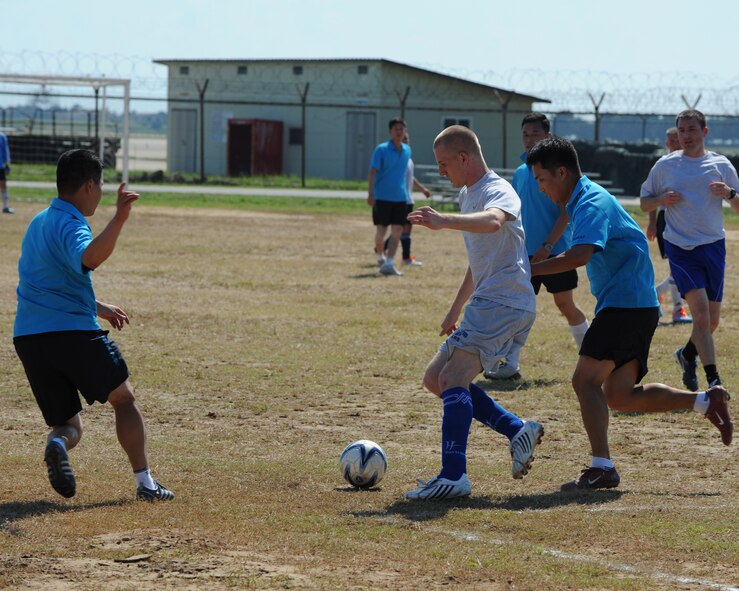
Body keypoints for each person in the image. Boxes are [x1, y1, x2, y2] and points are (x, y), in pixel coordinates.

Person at [527, 137, 732, 490]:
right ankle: (704, 401)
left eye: (542, 179)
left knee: (584, 381)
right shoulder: (581, 197)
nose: (540, 188)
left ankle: (602, 466)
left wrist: (527, 270)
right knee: (619, 395)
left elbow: (580, 256)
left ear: (561, 172)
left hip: (626, 306)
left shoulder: (590, 202)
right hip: (634, 305)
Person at [13, 149, 174, 502]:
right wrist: (119, 218)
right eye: (99, 185)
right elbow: (89, 258)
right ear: (89, 185)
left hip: (28, 337)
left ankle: (57, 444)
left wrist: (98, 306)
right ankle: (146, 484)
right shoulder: (72, 224)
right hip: (72, 333)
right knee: (124, 399)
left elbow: (41, 282)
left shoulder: (38, 222)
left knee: (68, 425)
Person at [404, 125, 543, 501]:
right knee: (436, 379)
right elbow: (478, 262)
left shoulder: (498, 190)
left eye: (445, 164)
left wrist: (444, 221)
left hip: (505, 302)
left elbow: (495, 221)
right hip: (489, 300)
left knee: (453, 378)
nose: (443, 172)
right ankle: (517, 430)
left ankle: (454, 475)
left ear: (464, 158)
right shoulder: (469, 194)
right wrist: (455, 309)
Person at [640, 109, 739, 392]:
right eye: (682, 130)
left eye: (691, 129)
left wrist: (730, 194)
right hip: (681, 247)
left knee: (713, 321)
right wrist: (660, 199)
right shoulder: (665, 165)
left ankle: (686, 355)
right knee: (702, 316)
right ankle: (713, 381)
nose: (686, 135)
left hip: (713, 246)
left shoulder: (721, 164)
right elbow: (645, 202)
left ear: (704, 132)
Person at [486, 113, 588, 380]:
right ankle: (510, 363)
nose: (529, 140)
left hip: (556, 251)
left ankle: (591, 356)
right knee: (517, 307)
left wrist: (548, 244)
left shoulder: (558, 173)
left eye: (535, 134)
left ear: (548, 137)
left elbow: (566, 213)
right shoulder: (521, 173)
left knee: (565, 304)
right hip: (523, 253)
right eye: (526, 135)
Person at [645, 127, 692, 325]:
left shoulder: (690, 165)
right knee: (677, 268)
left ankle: (654, 295)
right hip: (667, 221)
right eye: (672, 140)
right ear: (667, 143)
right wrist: (652, 223)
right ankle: (677, 310)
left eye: (678, 139)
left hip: (687, 222)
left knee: (679, 268)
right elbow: (650, 196)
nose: (675, 143)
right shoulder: (662, 167)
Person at [368, 118, 412, 276]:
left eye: (402, 128)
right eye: (396, 129)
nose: (399, 131)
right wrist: (370, 193)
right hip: (382, 197)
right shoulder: (381, 149)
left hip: (400, 197)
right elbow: (372, 172)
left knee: (398, 230)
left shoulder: (407, 150)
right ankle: (380, 255)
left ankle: (389, 263)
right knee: (381, 231)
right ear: (390, 131)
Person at [383, 131, 432, 266]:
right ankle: (404, 258)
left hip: (408, 199)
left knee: (404, 228)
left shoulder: (408, 159)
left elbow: (411, 178)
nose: (406, 141)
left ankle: (384, 248)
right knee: (402, 228)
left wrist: (422, 189)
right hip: (401, 200)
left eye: (407, 139)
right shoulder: (397, 159)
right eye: (403, 139)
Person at [0, 131, 14, 214]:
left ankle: (5, 206)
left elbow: (5, 150)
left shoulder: (2, 136)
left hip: (0, 166)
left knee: (3, 185)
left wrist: (7, 164)